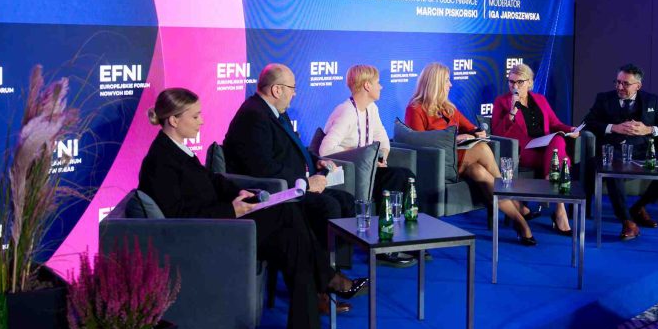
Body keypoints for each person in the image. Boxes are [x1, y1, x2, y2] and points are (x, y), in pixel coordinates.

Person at [138, 88, 368, 329]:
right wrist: (231, 210)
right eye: (195, 116)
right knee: (289, 218)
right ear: (174, 120)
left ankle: (312, 328)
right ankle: (329, 284)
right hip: (207, 237)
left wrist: (241, 192)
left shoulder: (178, 149)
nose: (202, 121)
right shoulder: (160, 160)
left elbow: (211, 182)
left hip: (221, 224)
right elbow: (179, 216)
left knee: (293, 236)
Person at [224, 64, 356, 254]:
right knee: (329, 206)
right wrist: (306, 183)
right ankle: (320, 267)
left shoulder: (276, 112)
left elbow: (296, 147)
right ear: (277, 90)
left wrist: (316, 160)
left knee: (347, 201)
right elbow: (262, 169)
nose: (294, 94)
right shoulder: (253, 116)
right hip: (274, 193)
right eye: (292, 88)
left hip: (294, 184)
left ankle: (337, 263)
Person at [405, 62, 537, 245]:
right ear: (435, 83)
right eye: (447, 81)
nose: (450, 84)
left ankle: (520, 222)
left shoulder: (448, 107)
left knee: (480, 172)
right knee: (482, 149)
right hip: (439, 165)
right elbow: (419, 144)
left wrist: (477, 132)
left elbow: (471, 127)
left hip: (461, 161)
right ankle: (515, 202)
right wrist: (456, 139)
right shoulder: (415, 109)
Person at [320, 64, 416, 267]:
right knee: (396, 178)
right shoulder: (346, 112)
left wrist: (381, 158)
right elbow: (325, 150)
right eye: (377, 83)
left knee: (406, 175)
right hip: (349, 177)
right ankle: (384, 247)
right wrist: (361, 154)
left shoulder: (371, 109)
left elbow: (383, 140)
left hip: (367, 172)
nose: (381, 87)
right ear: (366, 86)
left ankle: (408, 240)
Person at [583, 63, 658, 240]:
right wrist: (613, 127)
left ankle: (639, 207)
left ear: (638, 86)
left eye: (625, 83)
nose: (619, 87)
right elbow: (588, 122)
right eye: (618, 82)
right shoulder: (604, 99)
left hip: (643, 151)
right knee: (610, 169)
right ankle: (628, 222)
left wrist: (648, 129)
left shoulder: (651, 100)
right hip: (614, 151)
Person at [491, 63, 578, 235]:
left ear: (529, 82)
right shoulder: (502, 102)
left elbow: (555, 123)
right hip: (523, 151)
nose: (515, 86)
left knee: (558, 139)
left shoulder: (540, 99)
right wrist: (512, 112)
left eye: (520, 82)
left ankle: (550, 181)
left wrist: (571, 129)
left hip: (544, 148)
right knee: (561, 157)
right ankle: (559, 210)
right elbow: (497, 133)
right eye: (511, 82)